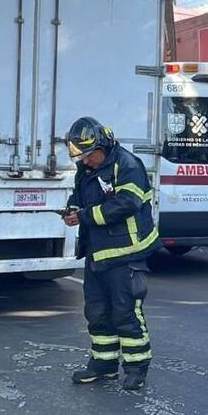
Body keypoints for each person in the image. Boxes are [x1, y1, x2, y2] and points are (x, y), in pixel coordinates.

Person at [63, 117, 158, 391]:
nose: (85, 161)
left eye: (89, 155)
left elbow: (127, 202)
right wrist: (72, 209)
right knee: (97, 312)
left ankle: (136, 368)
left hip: (126, 253)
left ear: (103, 146)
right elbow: (78, 196)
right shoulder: (86, 169)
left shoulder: (127, 164)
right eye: (81, 156)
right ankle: (102, 365)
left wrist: (84, 216)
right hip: (98, 253)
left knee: (126, 312)